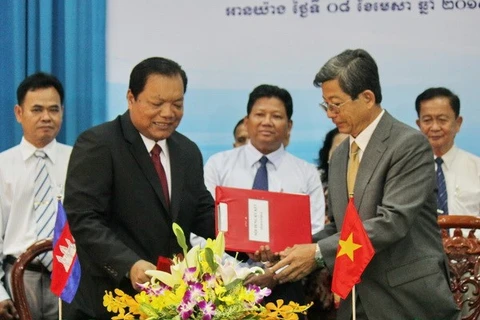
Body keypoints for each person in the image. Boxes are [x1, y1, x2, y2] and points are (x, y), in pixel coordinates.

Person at [268, 49, 460, 320]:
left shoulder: (408, 144)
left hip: (406, 299)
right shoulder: (340, 156)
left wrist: (317, 253)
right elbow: (339, 226)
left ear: (367, 98)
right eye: (325, 105)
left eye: (336, 104)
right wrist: (293, 251)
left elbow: (391, 221)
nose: (330, 114)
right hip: (355, 300)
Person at [63, 57, 215, 319]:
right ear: (131, 97)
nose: (168, 113)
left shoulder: (187, 151)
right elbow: (83, 218)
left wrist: (249, 241)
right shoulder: (98, 144)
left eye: (177, 104)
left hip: (173, 302)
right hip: (110, 299)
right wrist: (129, 264)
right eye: (157, 104)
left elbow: (202, 213)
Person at [203, 84, 325, 305]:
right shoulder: (218, 165)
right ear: (247, 120)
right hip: (223, 286)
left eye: (276, 116)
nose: (267, 122)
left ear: (289, 126)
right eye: (260, 114)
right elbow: (201, 226)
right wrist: (233, 272)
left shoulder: (307, 174)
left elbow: (315, 232)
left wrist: (275, 274)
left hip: (286, 287)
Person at [0, 72, 72, 320]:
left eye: (53, 110)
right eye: (37, 109)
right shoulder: (2, 166)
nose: (46, 117)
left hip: (67, 277)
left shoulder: (79, 162)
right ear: (19, 113)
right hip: (18, 278)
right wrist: (0, 294)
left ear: (62, 112)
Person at [415, 87, 480, 216]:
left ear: (458, 123)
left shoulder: (477, 168)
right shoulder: (409, 170)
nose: (434, 127)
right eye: (427, 120)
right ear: (419, 125)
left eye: (442, 120)